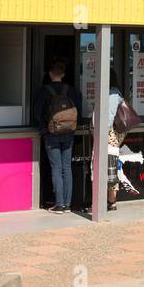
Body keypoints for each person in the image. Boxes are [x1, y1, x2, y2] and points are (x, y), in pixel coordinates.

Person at [33, 59, 83, 213]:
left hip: (51, 134)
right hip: (69, 133)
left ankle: (59, 204)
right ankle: (67, 204)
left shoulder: (43, 91)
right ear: (63, 74)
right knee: (66, 167)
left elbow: (37, 113)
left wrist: (43, 129)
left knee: (56, 168)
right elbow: (79, 112)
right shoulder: (72, 91)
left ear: (49, 74)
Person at [105, 68, 126, 212]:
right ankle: (109, 200)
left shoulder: (112, 93)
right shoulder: (114, 92)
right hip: (110, 134)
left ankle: (111, 201)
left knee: (111, 168)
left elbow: (107, 119)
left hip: (109, 135)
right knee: (109, 167)